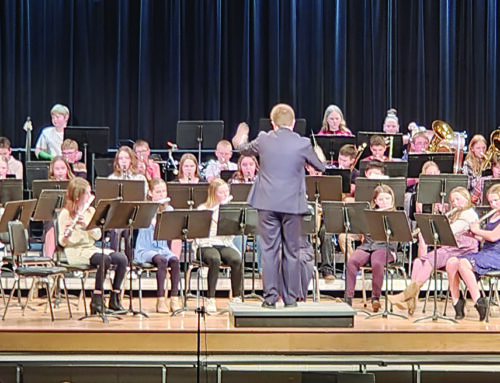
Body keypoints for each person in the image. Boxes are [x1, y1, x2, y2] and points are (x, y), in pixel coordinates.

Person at [233, 103, 326, 308]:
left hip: (267, 203)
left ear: (273, 123)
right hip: (293, 205)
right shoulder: (302, 143)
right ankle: (291, 300)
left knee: (269, 251)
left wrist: (242, 134)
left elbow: (241, 148)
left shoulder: (264, 139)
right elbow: (321, 166)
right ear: (293, 123)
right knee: (292, 251)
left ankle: (270, 299)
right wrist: (315, 151)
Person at [389, 186, 479, 314]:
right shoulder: (457, 213)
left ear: (466, 198)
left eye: (458, 199)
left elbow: (450, 231)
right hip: (450, 248)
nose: (455, 203)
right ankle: (411, 300)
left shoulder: (469, 214)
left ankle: (404, 296)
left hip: (463, 250)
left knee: (430, 262)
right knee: (418, 262)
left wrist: (438, 224)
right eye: (452, 201)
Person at [58, 177, 128, 314]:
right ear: (78, 196)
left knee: (122, 259)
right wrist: (67, 234)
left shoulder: (90, 211)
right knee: (104, 259)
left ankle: (114, 298)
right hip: (75, 251)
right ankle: (97, 299)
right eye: (87, 193)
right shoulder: (65, 214)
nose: (90, 196)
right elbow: (62, 242)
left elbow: (98, 236)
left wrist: (87, 226)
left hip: (90, 249)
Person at [446, 184, 500, 321]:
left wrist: (477, 230)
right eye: (491, 201)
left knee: (464, 263)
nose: (493, 204)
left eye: (496, 201)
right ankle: (457, 301)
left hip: (497, 255)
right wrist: (471, 234)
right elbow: (484, 238)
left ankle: (479, 302)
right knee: (452, 262)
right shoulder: (493, 215)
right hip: (486, 252)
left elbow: (494, 236)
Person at [344, 185, 398, 312]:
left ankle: (375, 298)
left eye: (387, 199)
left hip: (386, 247)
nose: (384, 202)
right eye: (381, 199)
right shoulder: (368, 214)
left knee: (377, 262)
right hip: (368, 245)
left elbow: (402, 236)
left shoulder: (397, 215)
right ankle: (348, 297)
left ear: (392, 200)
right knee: (352, 261)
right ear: (375, 201)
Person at [134, 178, 182, 313]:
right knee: (161, 260)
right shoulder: (144, 208)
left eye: (164, 191)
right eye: (158, 192)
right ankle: (160, 299)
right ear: (150, 193)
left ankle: (174, 298)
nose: (162, 194)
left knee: (174, 260)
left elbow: (172, 230)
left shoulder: (169, 209)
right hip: (146, 248)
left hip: (162, 248)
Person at [196, 178, 243, 313]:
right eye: (221, 192)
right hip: (205, 244)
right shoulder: (203, 208)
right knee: (214, 259)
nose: (225, 195)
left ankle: (236, 297)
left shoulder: (229, 209)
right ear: (213, 193)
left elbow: (232, 233)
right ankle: (210, 298)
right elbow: (199, 232)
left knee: (236, 259)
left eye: (227, 192)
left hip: (223, 243)